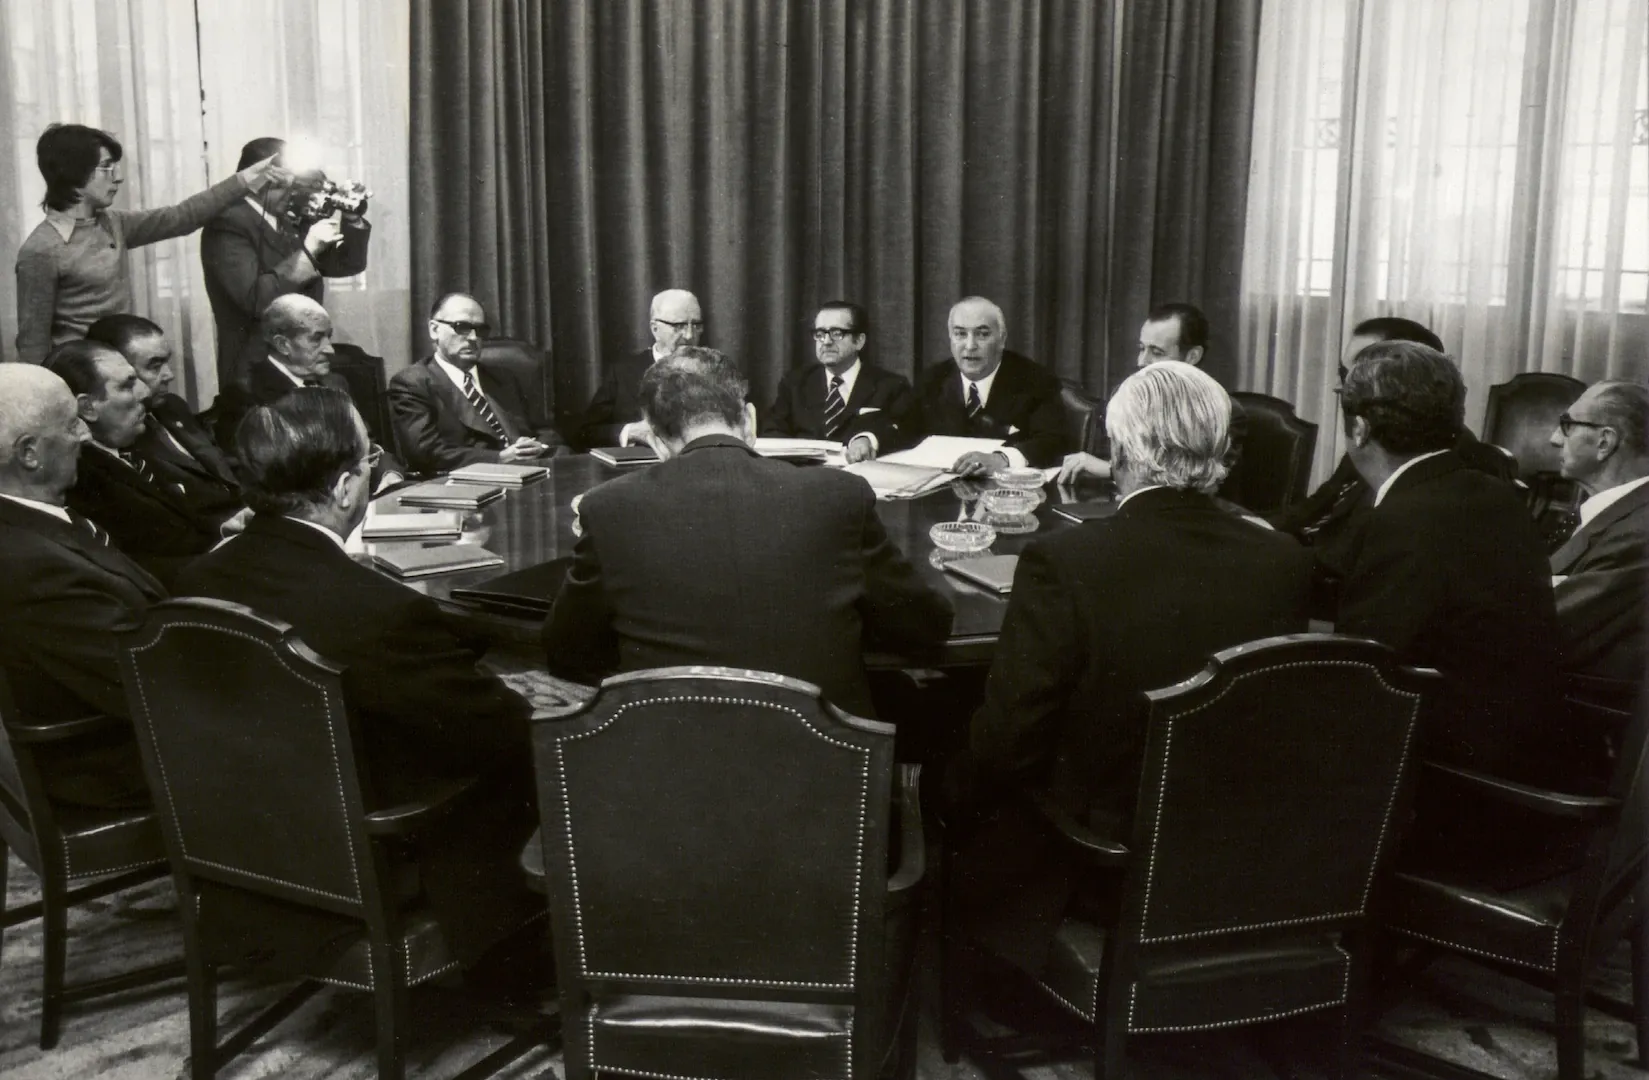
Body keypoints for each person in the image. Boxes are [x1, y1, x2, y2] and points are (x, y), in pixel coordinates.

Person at [944, 361, 1311, 971]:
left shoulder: (1066, 560)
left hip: (1102, 859)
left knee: (954, 767)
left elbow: (1008, 747)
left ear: (1122, 450)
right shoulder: (1284, 559)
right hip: (1239, 855)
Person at [175, 388, 539, 967]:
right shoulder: (378, 610)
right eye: (370, 461)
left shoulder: (196, 578)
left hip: (250, 848)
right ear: (346, 488)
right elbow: (496, 730)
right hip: (373, 856)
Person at [544, 346, 954, 718]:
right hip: (822, 775)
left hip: (663, 769)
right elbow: (924, 627)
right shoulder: (839, 495)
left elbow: (567, 651)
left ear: (654, 440)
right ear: (750, 420)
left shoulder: (606, 507)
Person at [1335, 342, 1569, 785]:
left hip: (1450, 774)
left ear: (1360, 429)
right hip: (1511, 746)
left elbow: (1364, 678)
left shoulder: (1404, 516)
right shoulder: (1493, 493)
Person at [0, 363, 162, 808]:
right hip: (112, 769)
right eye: (72, 424)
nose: (85, 436)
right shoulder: (30, 563)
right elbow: (145, 683)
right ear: (30, 453)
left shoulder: (32, 526)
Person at [1268, 317, 1517, 582]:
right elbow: (1313, 510)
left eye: (1354, 373)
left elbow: (1354, 563)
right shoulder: (1381, 438)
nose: (1340, 387)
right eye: (1344, 373)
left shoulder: (1434, 459)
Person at [14, 124, 286, 365]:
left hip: (121, 368)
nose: (117, 177)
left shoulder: (113, 223)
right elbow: (32, 344)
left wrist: (245, 180)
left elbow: (182, 217)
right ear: (74, 172)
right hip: (81, 379)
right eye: (106, 167)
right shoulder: (41, 250)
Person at [200, 136, 371, 390]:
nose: (294, 191)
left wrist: (352, 219)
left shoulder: (285, 220)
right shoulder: (227, 224)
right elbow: (255, 300)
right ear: (260, 179)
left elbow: (347, 265)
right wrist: (309, 248)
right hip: (255, 371)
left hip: (303, 364)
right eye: (288, 182)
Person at [45, 340, 220, 588]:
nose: (145, 392)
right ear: (87, 407)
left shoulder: (132, 448)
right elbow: (140, 569)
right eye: (127, 385)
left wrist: (225, 529)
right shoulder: (78, 480)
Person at [216, 295, 404, 489]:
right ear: (282, 344)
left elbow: (367, 444)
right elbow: (254, 473)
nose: (329, 349)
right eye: (316, 338)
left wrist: (389, 473)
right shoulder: (246, 393)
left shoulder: (336, 383)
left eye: (328, 337)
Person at [1057, 301, 1247, 485]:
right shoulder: (1133, 397)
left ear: (1192, 356)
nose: (1141, 361)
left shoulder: (1225, 411)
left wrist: (1111, 471)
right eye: (1142, 348)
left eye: (1156, 352)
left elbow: (1204, 484)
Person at [880, 296, 1066, 474]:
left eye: (982, 334)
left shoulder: (1035, 379)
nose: (970, 345)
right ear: (950, 339)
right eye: (960, 334)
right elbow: (900, 425)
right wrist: (868, 440)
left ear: (1001, 339)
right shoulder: (934, 378)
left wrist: (1002, 459)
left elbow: (1053, 440)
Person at [86, 314, 242, 525]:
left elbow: (220, 467)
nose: (169, 375)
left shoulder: (172, 406)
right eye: (154, 366)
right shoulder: (121, 435)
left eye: (166, 362)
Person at [388, 293, 564, 475]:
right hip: (466, 485)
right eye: (462, 327)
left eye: (480, 330)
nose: (473, 338)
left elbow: (546, 430)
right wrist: (501, 458)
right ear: (434, 330)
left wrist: (538, 446)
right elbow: (426, 453)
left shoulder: (504, 377)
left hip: (531, 474)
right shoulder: (412, 383)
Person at [1547, 380, 1649, 682]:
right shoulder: (1616, 514)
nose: (1554, 439)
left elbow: (1541, 627)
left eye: (1567, 425)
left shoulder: (1639, 533)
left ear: (1605, 442)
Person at [761, 301, 911, 463]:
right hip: (805, 478)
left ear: (859, 341)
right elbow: (772, 430)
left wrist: (868, 438)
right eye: (820, 333)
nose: (826, 341)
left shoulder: (891, 386)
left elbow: (905, 430)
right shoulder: (794, 383)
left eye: (837, 333)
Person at [575, 288, 706, 449]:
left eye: (696, 325)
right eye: (678, 326)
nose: (689, 335)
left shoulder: (717, 371)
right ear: (655, 329)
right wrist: (631, 432)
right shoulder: (623, 373)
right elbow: (585, 433)